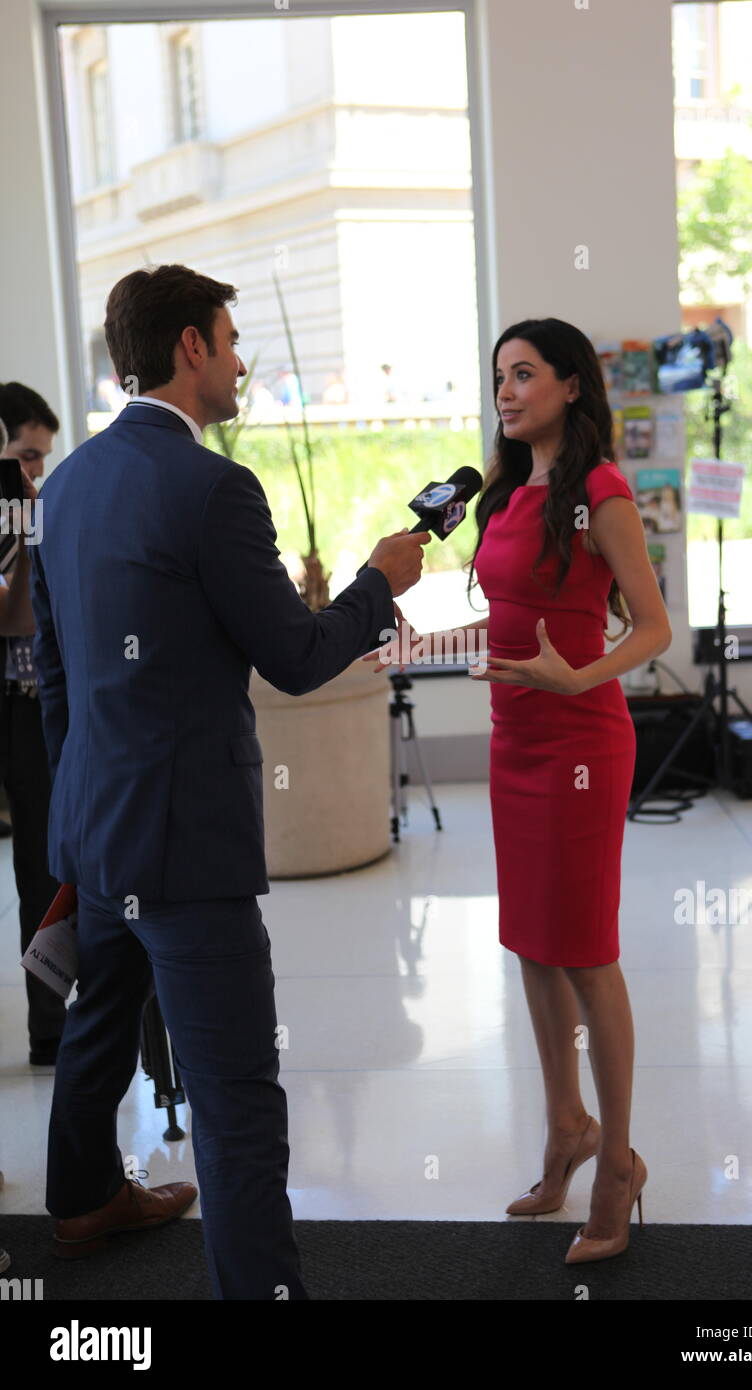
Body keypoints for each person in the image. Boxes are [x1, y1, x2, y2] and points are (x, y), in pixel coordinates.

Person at [29, 262, 429, 1299]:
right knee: (236, 1088)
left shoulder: (64, 482)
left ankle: (78, 1201)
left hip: (100, 827)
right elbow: (295, 654)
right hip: (187, 846)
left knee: (97, 1020)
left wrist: (74, 820)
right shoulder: (213, 487)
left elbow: (58, 680)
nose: (243, 360)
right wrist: (379, 581)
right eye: (230, 338)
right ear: (192, 347)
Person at [366, 319, 671, 1263]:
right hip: (517, 740)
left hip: (581, 740)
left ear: (574, 386)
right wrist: (423, 647)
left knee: (585, 953)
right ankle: (566, 1128)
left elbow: (653, 629)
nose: (506, 390)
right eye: (499, 375)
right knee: (533, 946)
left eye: (526, 374)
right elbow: (509, 623)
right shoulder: (499, 490)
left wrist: (579, 678)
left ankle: (617, 1163)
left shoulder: (601, 492)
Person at [0, 384, 66, 1066]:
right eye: (23, 458)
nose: (33, 474)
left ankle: (48, 1029)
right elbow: (11, 617)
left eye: (41, 459)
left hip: (29, 705)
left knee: (41, 873)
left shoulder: (35, 513)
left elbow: (36, 618)